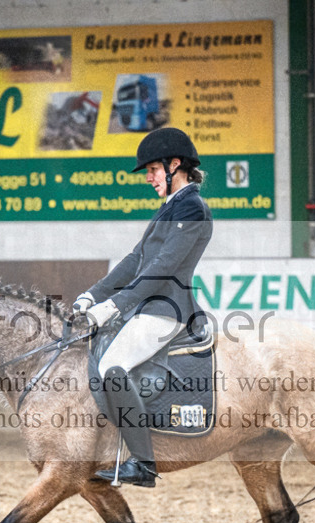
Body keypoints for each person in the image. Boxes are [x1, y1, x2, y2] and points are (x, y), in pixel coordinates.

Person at [73, 127, 213, 487]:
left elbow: (162, 268)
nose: (149, 178)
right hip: (147, 308)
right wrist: (93, 295)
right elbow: (136, 260)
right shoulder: (170, 207)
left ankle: (144, 464)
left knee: (113, 367)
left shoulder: (192, 208)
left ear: (175, 164)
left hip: (167, 310)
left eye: (152, 170)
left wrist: (113, 306)